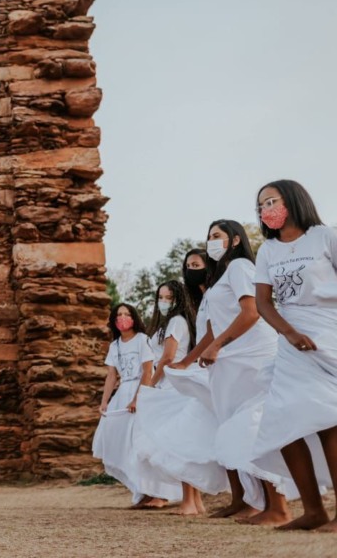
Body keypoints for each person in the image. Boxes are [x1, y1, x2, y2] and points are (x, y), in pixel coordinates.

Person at [248, 180, 337, 531]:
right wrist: (288, 332)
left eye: (272, 200)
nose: (266, 209)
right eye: (261, 205)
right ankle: (313, 510)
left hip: (328, 334)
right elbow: (262, 302)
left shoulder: (324, 236)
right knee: (283, 421)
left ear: (293, 199)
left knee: (329, 418)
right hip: (291, 341)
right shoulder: (267, 251)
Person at [195, 219, 292, 525]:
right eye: (208, 236)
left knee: (252, 427)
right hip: (230, 362)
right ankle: (251, 502)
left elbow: (252, 312)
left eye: (216, 236)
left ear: (235, 240)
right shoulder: (221, 276)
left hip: (252, 358)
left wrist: (218, 346)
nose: (210, 241)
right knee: (233, 430)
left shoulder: (239, 267)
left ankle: (277, 506)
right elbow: (215, 325)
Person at [133, 281, 197, 512]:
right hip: (164, 385)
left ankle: (189, 500)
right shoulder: (166, 323)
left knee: (177, 443)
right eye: (161, 297)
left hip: (171, 386)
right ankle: (183, 498)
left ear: (178, 299)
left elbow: (168, 357)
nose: (164, 301)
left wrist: (150, 383)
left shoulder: (177, 322)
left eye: (169, 297)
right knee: (168, 443)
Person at [91, 303, 159, 506]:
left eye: (126, 314)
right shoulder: (115, 346)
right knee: (122, 443)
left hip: (141, 391)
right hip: (122, 394)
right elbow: (111, 375)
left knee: (142, 442)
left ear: (134, 318)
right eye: (118, 315)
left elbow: (148, 371)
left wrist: (138, 398)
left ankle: (157, 493)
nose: (122, 318)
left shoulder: (142, 340)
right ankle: (142, 491)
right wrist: (104, 402)